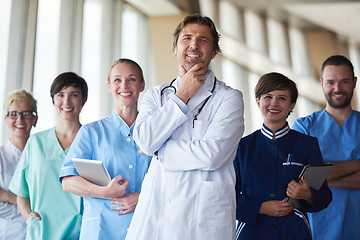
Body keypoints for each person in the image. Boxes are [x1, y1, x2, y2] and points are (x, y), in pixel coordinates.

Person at [125, 14, 245, 240]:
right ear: (175, 47)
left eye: (203, 40)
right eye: (187, 38)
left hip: (203, 220)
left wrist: (160, 151)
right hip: (156, 216)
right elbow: (144, 140)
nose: (194, 45)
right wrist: (181, 97)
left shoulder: (229, 98)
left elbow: (213, 155)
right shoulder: (156, 95)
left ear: (213, 51)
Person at [59, 59, 152, 240]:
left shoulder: (154, 132)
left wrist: (141, 197)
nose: (124, 85)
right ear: (109, 86)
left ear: (142, 85)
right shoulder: (91, 132)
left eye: (131, 79)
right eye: (117, 80)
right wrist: (105, 192)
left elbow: (170, 179)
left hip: (145, 226)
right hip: (101, 231)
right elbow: (68, 181)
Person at [234, 72, 332, 240]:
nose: (274, 103)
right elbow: (226, 197)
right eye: (268, 96)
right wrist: (260, 207)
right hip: (252, 233)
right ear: (258, 101)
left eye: (282, 98)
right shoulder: (241, 147)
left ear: (292, 105)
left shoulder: (307, 145)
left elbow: (324, 197)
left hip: (295, 232)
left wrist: (307, 194)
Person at [9, 72, 88, 239]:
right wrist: (28, 217)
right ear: (53, 99)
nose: (66, 102)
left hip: (82, 232)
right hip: (42, 232)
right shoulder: (35, 143)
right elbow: (21, 193)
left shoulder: (92, 141)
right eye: (60, 95)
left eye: (74, 95)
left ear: (83, 100)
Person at [292, 55, 360, 240]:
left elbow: (311, 178)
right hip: (317, 229)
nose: (337, 88)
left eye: (344, 81)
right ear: (321, 83)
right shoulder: (304, 127)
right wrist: (357, 164)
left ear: (354, 82)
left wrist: (320, 180)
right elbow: (301, 178)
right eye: (331, 82)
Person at [0, 90, 37, 239]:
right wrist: (26, 204)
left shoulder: (43, 156)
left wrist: (6, 196)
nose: (20, 119)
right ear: (6, 120)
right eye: (13, 114)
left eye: (26, 114)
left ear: (35, 120)